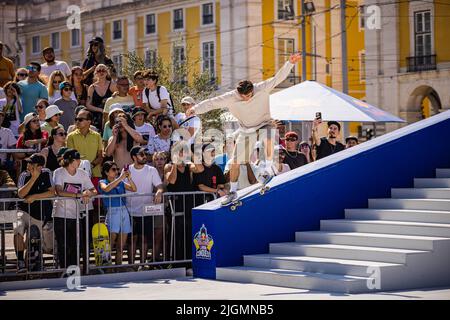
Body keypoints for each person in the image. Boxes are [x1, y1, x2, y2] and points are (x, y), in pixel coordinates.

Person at [186, 53, 302, 205]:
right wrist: (195, 108)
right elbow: (212, 103)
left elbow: (277, 78)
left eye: (250, 95)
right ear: (238, 93)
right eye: (244, 96)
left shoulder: (261, 88)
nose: (248, 98)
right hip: (246, 130)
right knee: (235, 162)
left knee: (268, 135)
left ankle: (266, 172)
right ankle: (233, 192)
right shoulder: (231, 97)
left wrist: (290, 63)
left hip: (264, 124)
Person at [53, 149, 97, 270]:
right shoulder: (59, 172)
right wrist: (79, 195)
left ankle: (73, 270)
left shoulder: (83, 173)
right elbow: (59, 191)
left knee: (75, 245)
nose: (80, 161)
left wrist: (87, 192)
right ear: (71, 161)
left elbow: (94, 190)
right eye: (78, 159)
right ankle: (63, 270)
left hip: (76, 215)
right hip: (60, 214)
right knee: (63, 245)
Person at [14, 154, 54, 272]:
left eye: (31, 163)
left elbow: (52, 192)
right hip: (21, 210)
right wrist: (33, 178)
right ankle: (20, 262)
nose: (28, 165)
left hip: (38, 213)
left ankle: (31, 262)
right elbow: (21, 194)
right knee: (18, 231)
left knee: (32, 239)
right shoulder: (24, 174)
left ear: (39, 166)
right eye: (28, 163)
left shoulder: (46, 173)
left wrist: (35, 196)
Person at [164, 145, 204, 260]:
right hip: (176, 204)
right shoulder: (169, 166)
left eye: (183, 151)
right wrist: (175, 164)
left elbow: (200, 169)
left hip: (189, 203)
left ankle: (189, 262)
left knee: (189, 233)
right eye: (179, 151)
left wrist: (191, 154)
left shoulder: (189, 165)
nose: (182, 153)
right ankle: (177, 262)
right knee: (177, 234)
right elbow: (172, 180)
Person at [126, 146, 164, 264]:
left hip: (146, 210)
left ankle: (142, 264)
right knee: (132, 240)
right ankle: (131, 265)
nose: (144, 156)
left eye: (144, 154)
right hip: (130, 211)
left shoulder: (151, 170)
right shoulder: (127, 170)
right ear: (134, 157)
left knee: (144, 240)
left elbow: (160, 186)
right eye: (141, 154)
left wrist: (158, 192)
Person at [99, 161, 136, 266]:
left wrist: (128, 178)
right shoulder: (102, 181)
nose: (116, 172)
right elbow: (106, 189)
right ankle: (107, 267)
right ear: (106, 172)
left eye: (117, 170)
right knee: (110, 243)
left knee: (121, 245)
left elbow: (134, 189)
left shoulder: (120, 182)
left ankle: (118, 267)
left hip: (124, 211)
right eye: (113, 170)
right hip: (112, 211)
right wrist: (120, 177)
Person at [66, 109, 104, 184]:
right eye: (76, 119)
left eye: (80, 119)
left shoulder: (97, 136)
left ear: (89, 121)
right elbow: (70, 157)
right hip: (76, 175)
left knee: (95, 195)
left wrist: (89, 166)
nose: (77, 121)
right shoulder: (70, 136)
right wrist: (84, 168)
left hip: (95, 175)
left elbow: (100, 156)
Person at [86, 64, 117, 132]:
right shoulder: (92, 87)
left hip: (110, 114)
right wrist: (100, 110)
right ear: (96, 73)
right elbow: (88, 105)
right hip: (96, 116)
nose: (101, 72)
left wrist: (114, 96)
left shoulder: (112, 85)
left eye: (103, 70)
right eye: (99, 70)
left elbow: (118, 98)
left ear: (107, 72)